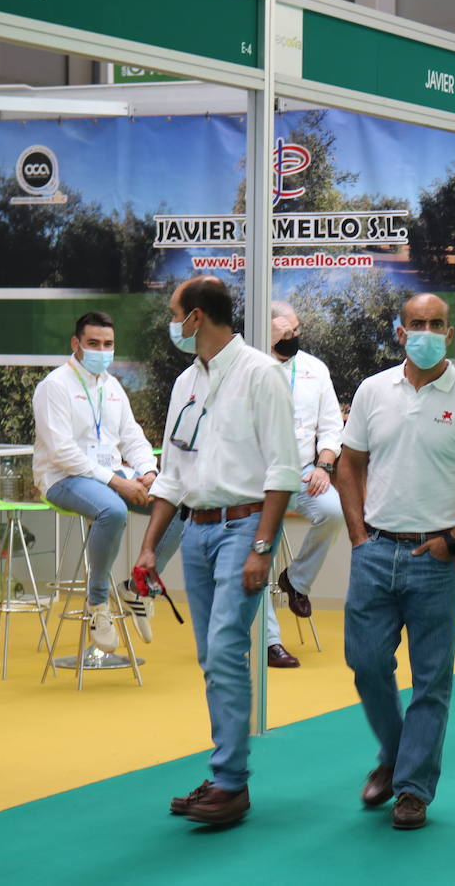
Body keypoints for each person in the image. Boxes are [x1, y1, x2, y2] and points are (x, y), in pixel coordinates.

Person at [337, 292, 455, 830]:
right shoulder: (373, 391)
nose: (427, 333)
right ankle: (395, 755)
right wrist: (358, 535)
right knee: (366, 664)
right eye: (418, 324)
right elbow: (349, 465)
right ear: (400, 332)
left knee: (431, 681)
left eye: (437, 324)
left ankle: (413, 788)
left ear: (450, 334)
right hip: (375, 552)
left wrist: (454, 541)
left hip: (435, 561)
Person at [135, 276, 301, 827]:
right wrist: (149, 547)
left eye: (174, 313)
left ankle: (230, 781)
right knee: (212, 655)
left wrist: (262, 547)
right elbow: (172, 475)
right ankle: (225, 775)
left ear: (197, 317)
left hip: (244, 526)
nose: (172, 323)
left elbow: (283, 470)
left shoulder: (261, 374)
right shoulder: (186, 381)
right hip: (198, 531)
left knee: (227, 647)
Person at [32, 311, 182, 652]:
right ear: (76, 344)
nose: (102, 350)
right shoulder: (54, 386)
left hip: (111, 474)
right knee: (112, 511)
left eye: (108, 344)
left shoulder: (112, 386)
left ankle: (139, 588)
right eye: (93, 343)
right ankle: (97, 603)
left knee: (177, 503)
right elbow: (62, 452)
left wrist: (149, 471)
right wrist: (118, 482)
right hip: (62, 477)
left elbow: (132, 436)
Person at [259, 300, 347, 669]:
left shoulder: (314, 368)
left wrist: (324, 466)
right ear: (266, 333)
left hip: (302, 473)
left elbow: (331, 427)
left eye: (296, 330)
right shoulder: (248, 369)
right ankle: (269, 641)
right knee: (260, 549)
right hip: (257, 481)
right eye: (285, 333)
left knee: (334, 512)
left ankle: (296, 580)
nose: (294, 337)